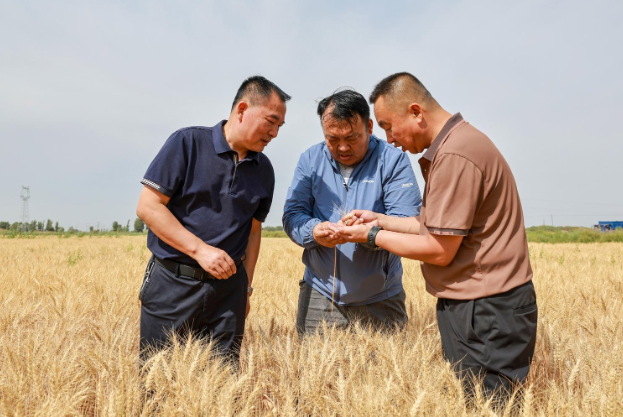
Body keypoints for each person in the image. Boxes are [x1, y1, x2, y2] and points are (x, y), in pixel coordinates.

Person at [337, 73, 537, 398]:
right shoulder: (459, 144)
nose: (389, 139)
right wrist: (381, 220)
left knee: (490, 405)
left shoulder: (455, 155)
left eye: (388, 126)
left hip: (487, 311)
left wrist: (371, 236)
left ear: (416, 112)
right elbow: (436, 225)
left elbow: (438, 249)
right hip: (480, 305)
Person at [135, 75, 290, 362]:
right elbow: (149, 207)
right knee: (158, 379)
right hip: (172, 284)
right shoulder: (187, 143)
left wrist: (246, 289)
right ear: (242, 109)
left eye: (280, 126)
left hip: (228, 294)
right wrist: (200, 251)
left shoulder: (264, 169)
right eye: (271, 122)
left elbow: (253, 231)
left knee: (223, 381)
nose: (275, 133)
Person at [283, 89, 421, 335]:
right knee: (314, 361)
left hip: (382, 296)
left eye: (352, 137)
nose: (343, 147)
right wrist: (314, 231)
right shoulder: (310, 160)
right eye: (333, 139)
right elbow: (293, 215)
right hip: (319, 294)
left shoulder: (393, 161)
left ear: (369, 127)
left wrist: (368, 234)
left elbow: (406, 223)